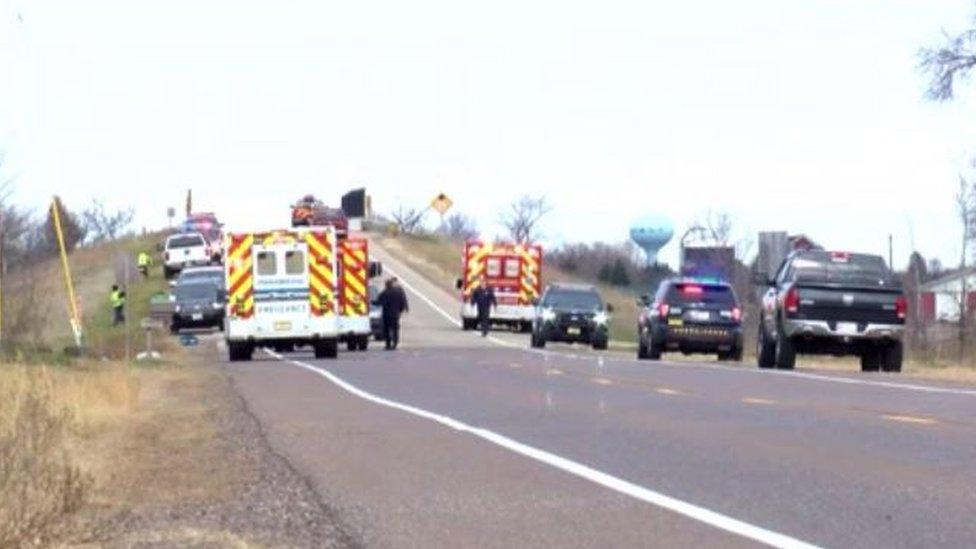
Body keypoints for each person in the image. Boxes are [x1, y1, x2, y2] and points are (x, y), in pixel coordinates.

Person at [374, 277, 409, 350]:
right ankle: (395, 343)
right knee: (395, 329)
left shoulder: (384, 293)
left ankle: (388, 344)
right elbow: (402, 301)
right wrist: (402, 310)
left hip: (387, 314)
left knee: (386, 329)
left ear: (386, 285)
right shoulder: (398, 292)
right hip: (395, 314)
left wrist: (372, 302)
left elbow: (379, 302)